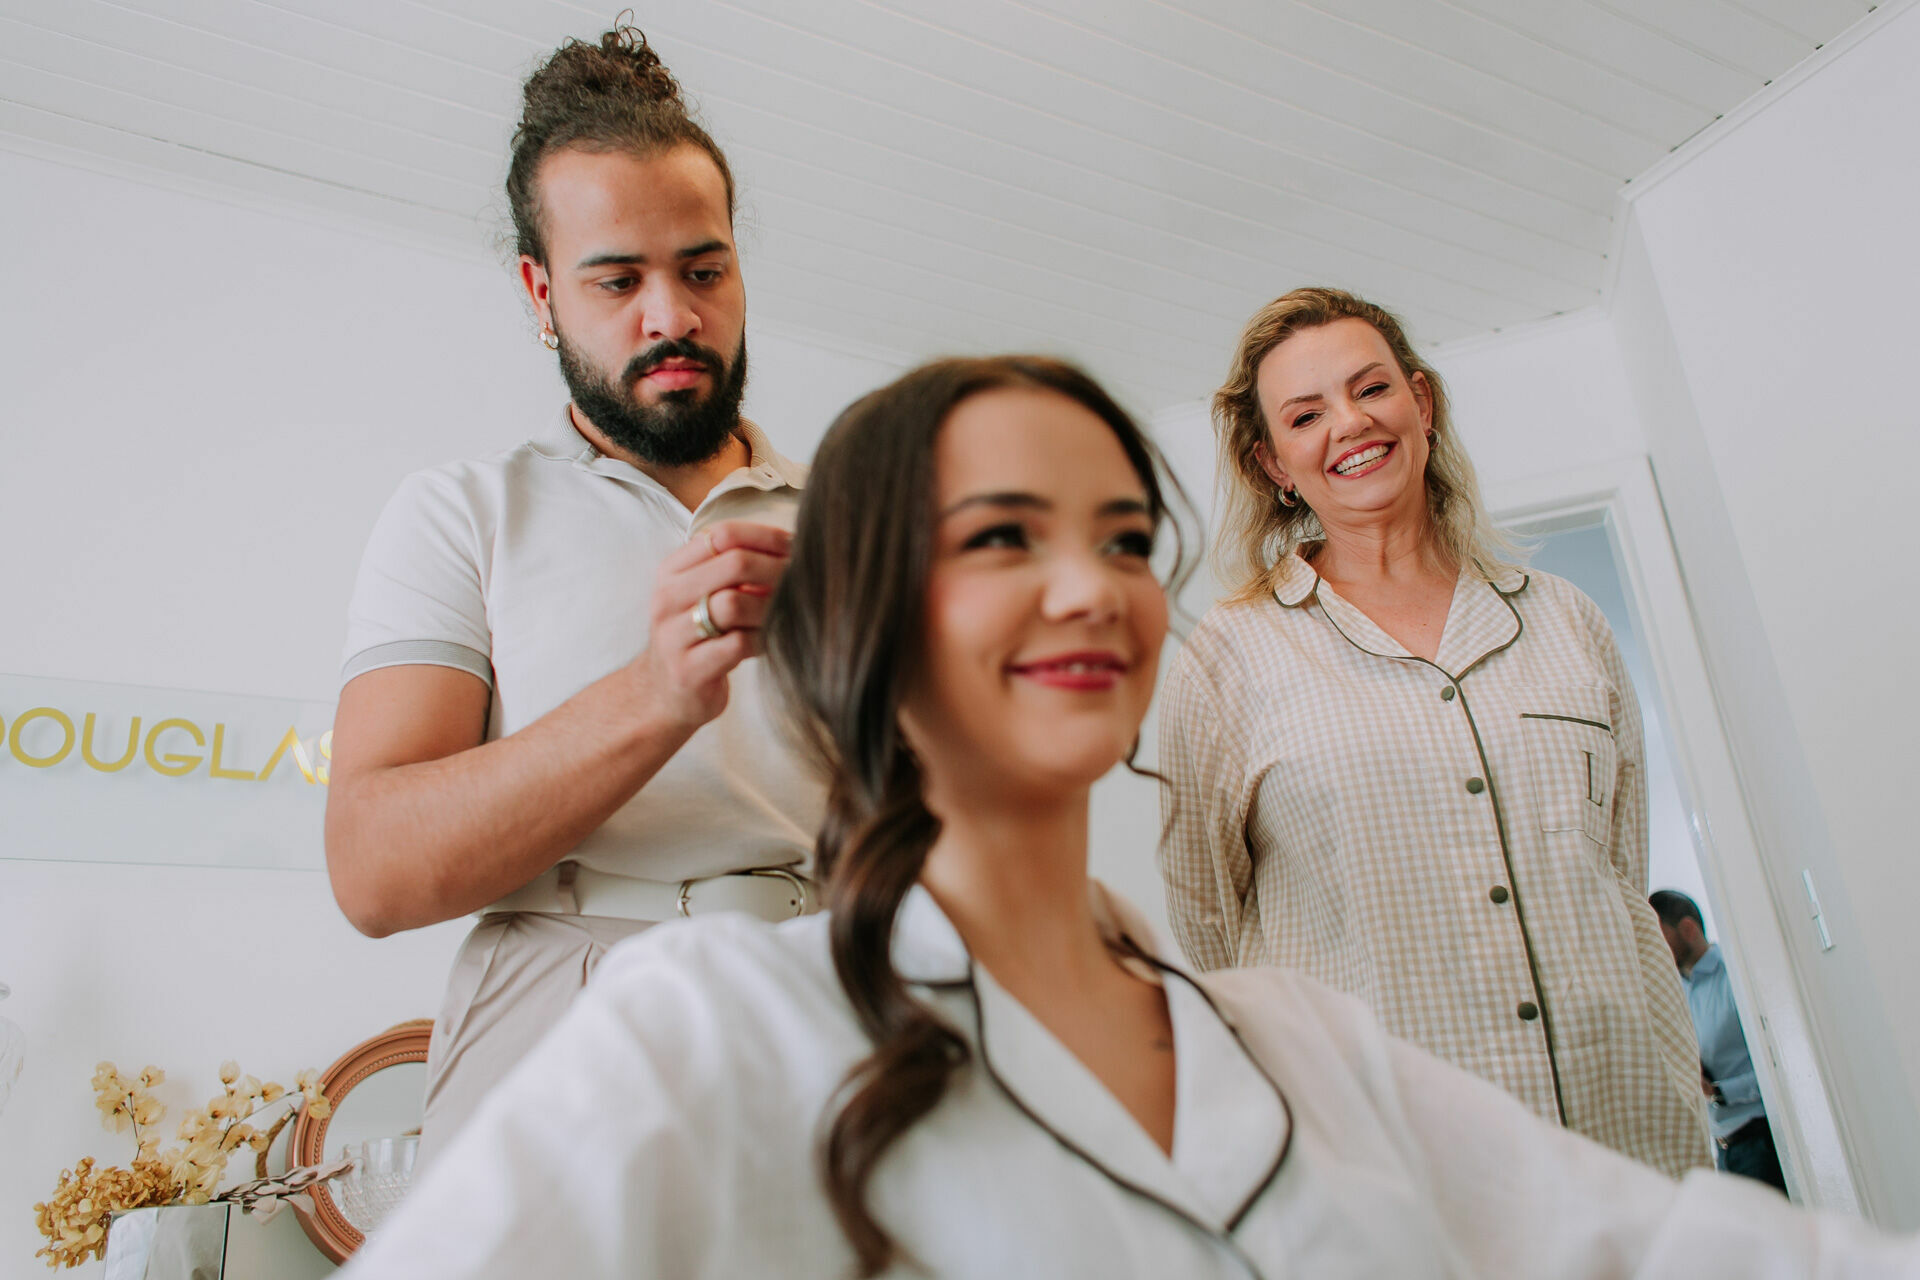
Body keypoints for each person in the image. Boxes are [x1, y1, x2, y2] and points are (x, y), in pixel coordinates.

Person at [341, 356, 1913, 1279]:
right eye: (1006, 535)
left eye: (1121, 533)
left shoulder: (1301, 1042)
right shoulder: (718, 1022)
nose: (1092, 581)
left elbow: (1666, 1256)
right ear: (860, 622)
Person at [325, 24, 821, 1161]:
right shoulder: (459, 513)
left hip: (825, 1004)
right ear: (541, 292)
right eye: (617, 280)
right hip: (559, 1030)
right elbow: (373, 867)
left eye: (704, 269)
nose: (672, 317)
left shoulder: (859, 512)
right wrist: (655, 693)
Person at [1158, 287, 1707, 1177]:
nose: (1350, 423)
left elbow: (1615, 874)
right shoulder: (1227, 658)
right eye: (1306, 414)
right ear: (1274, 464)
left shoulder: (1568, 621)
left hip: (1632, 1149)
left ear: (1423, 402)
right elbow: (1214, 931)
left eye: (1371, 389)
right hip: (1401, 1175)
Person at [1651, 889, 1789, 1193]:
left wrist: (1719, 1092)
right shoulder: (1672, 994)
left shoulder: (1737, 975)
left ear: (1687, 929)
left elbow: (1780, 1065)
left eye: (1656, 935)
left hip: (1765, 1143)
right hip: (1725, 1152)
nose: (1650, 948)